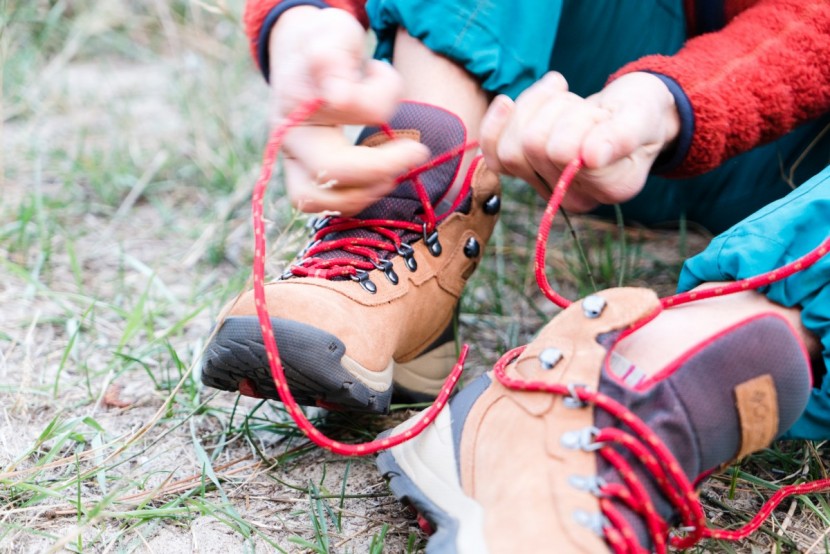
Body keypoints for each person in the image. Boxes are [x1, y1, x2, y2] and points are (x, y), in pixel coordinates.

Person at [200, 0, 830, 550]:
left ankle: (648, 381)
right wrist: (303, 19)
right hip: (604, 92)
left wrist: (674, 98)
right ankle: (409, 221)